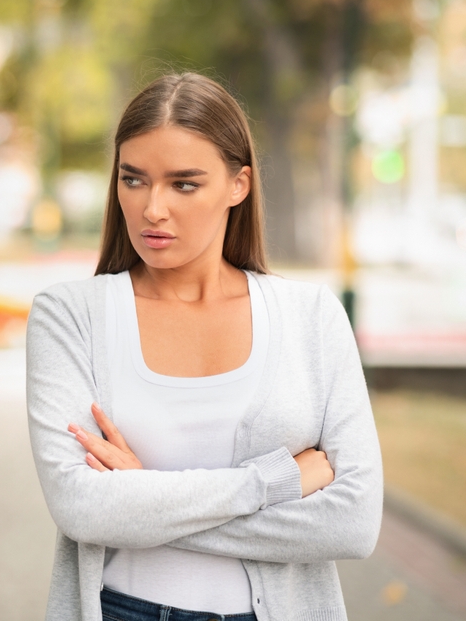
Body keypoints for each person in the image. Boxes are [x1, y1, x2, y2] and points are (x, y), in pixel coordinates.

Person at [26, 73, 382, 621]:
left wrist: (143, 499)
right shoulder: (71, 316)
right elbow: (83, 510)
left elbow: (353, 522)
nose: (153, 208)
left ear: (238, 185)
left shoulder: (310, 318)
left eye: (184, 184)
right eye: (134, 180)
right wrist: (276, 480)